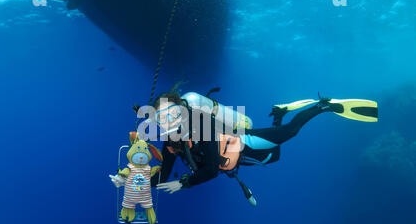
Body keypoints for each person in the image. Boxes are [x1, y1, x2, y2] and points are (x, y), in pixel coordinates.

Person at [117, 85, 378, 205]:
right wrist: (131, 181)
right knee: (275, 155)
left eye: (173, 112)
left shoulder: (202, 124)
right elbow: (161, 174)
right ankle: (279, 111)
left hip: (249, 144)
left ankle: (323, 106)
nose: (170, 120)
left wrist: (183, 183)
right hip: (245, 161)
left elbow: (208, 171)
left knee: (290, 132)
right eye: (163, 117)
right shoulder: (171, 142)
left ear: (182, 109)